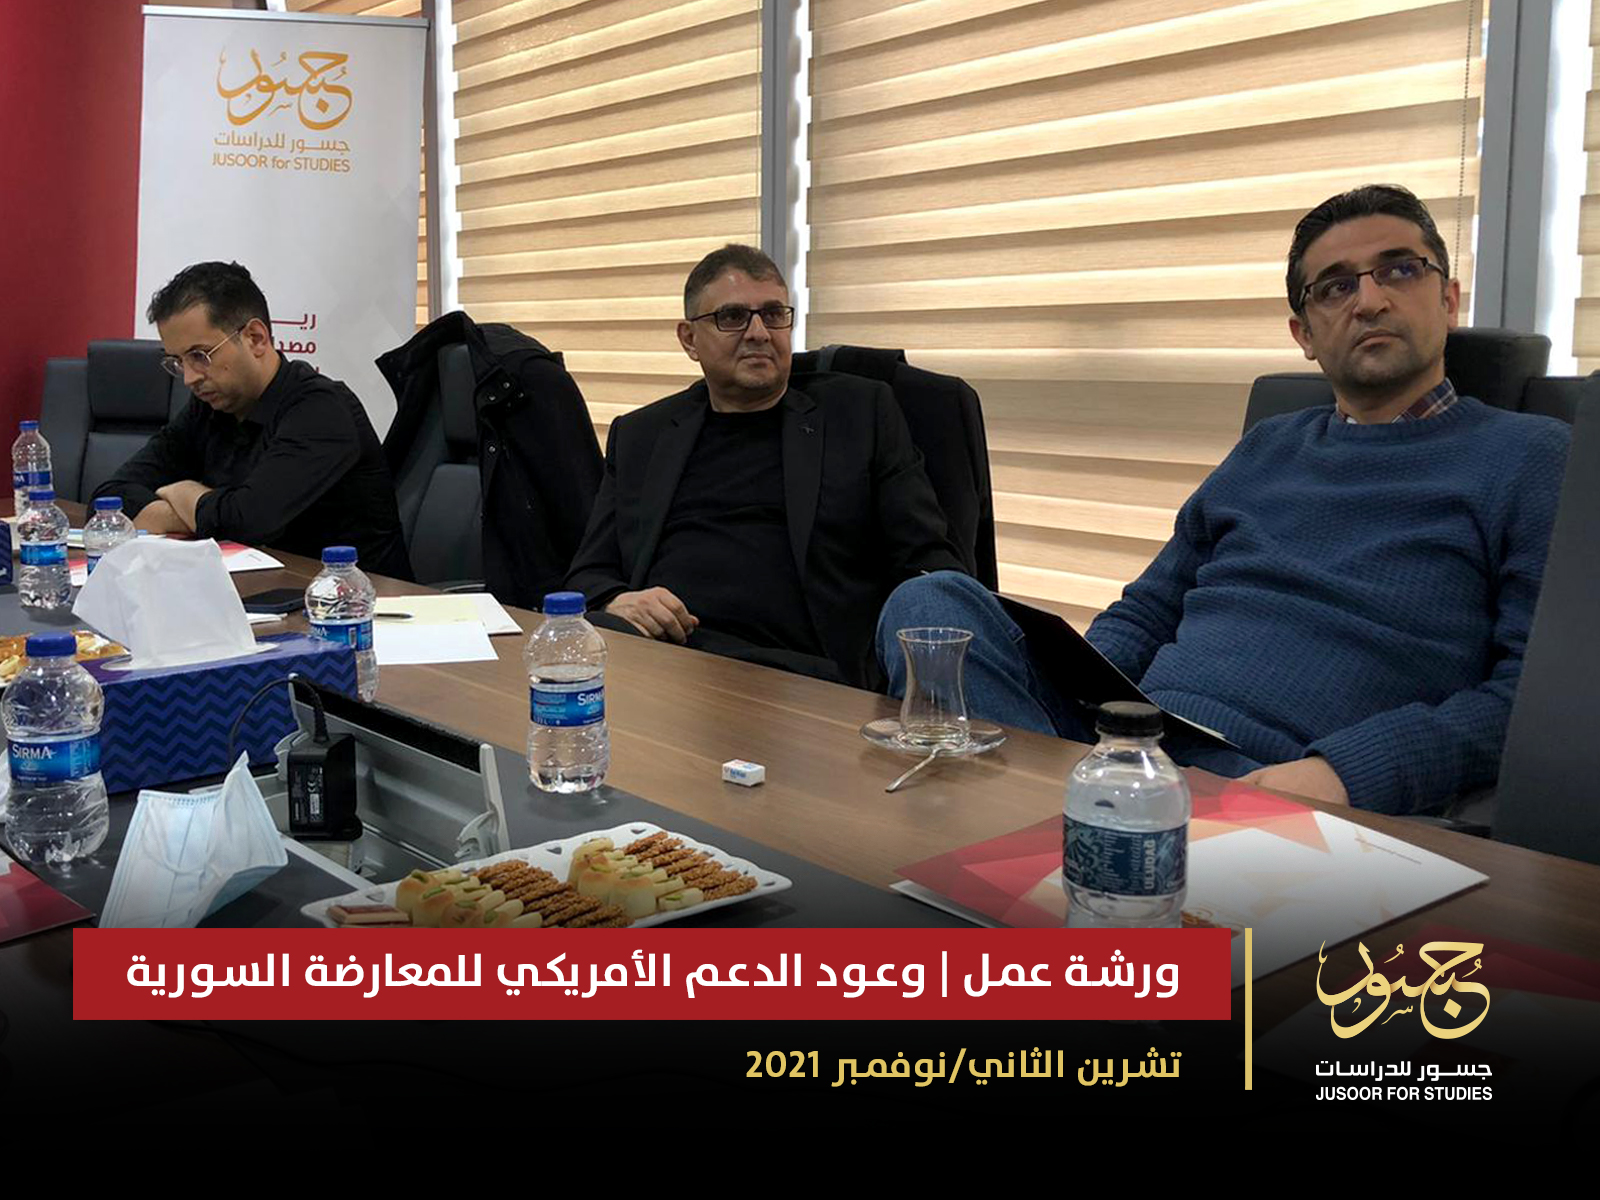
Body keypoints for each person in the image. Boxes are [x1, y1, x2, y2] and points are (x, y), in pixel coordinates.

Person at [876, 185, 1571, 815]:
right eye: (1335, 287)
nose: (1368, 301)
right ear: (1304, 334)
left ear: (1448, 299)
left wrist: (1344, 773)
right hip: (1133, 744)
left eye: (1399, 270)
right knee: (931, 600)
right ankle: (1070, 817)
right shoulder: (1270, 445)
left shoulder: (1534, 456)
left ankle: (1045, 825)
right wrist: (1081, 696)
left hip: (1265, 776)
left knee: (991, 795)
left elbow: (1536, 697)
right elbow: (1149, 610)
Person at [565, 243, 965, 689]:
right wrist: (617, 600)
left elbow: (929, 566)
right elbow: (588, 575)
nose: (758, 332)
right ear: (689, 339)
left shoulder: (860, 413)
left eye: (773, 315)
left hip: (806, 679)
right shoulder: (643, 435)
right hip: (667, 668)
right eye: (733, 317)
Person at [95, 261, 412, 580]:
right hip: (257, 591)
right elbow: (111, 498)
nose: (189, 378)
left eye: (200, 356)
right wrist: (192, 511)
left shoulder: (322, 409)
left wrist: (184, 492)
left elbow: (248, 523)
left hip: (357, 601)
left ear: (256, 338)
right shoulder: (208, 407)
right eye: (178, 361)